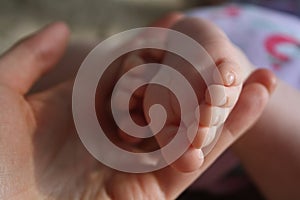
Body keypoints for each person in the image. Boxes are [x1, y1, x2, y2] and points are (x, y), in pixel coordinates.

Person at [0, 13, 277, 199]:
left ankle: (194, 64)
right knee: (76, 72)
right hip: (254, 34)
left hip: (222, 158)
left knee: (77, 76)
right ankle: (204, 60)